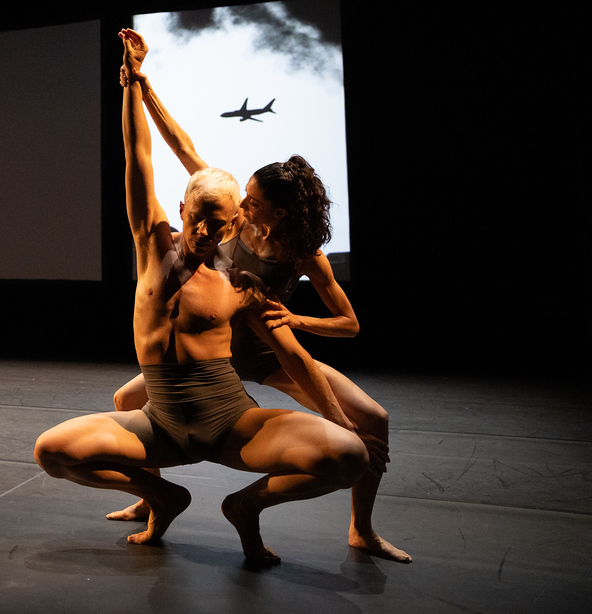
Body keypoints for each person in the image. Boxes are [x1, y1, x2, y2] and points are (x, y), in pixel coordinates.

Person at [32, 31, 369, 565]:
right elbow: (136, 153)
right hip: (160, 424)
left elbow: (294, 357)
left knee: (350, 454)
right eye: (198, 217)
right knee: (51, 451)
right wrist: (134, 84)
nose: (207, 230)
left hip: (229, 421)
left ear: (236, 219)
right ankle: (162, 496)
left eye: (221, 221)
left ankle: (245, 507)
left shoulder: (241, 283)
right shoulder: (152, 246)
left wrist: (338, 419)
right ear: (181, 208)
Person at [105, 29, 409, 563]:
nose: (241, 201)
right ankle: (150, 500)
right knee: (127, 401)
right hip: (214, 354)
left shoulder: (303, 254)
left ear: (279, 211)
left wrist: (293, 318)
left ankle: (360, 527)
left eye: (252, 197)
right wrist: (143, 86)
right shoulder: (228, 220)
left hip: (266, 354)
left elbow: (350, 324)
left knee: (372, 422)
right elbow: (181, 147)